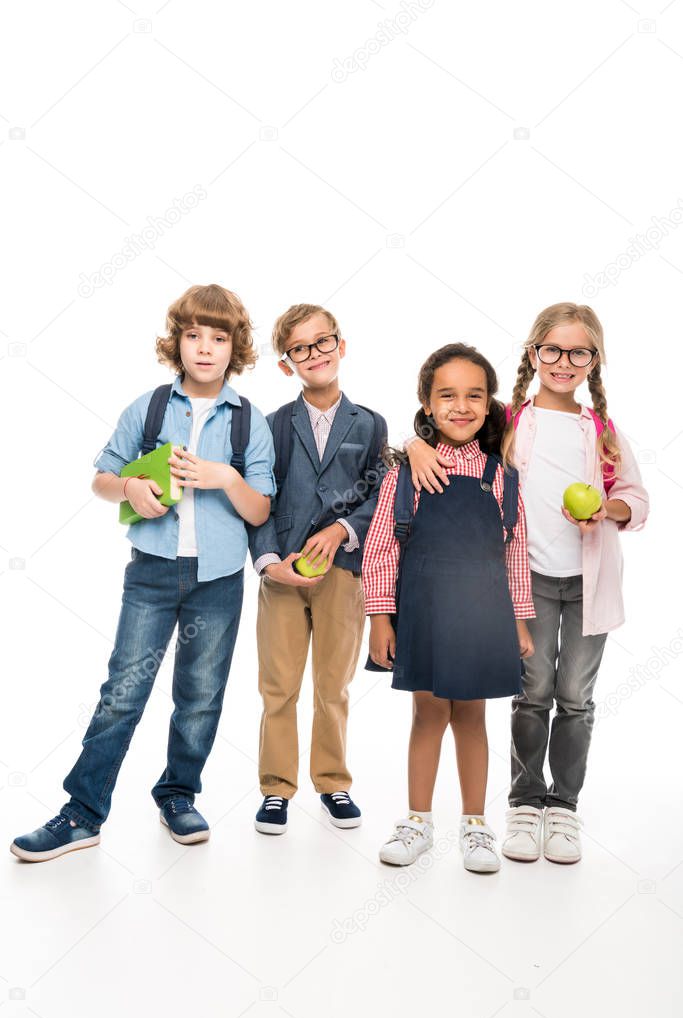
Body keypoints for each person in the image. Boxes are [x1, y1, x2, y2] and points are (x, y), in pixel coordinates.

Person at [11, 284, 276, 861]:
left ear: (236, 348)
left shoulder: (248, 422)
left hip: (219, 579)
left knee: (201, 696)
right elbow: (101, 479)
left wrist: (225, 478)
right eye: (193, 335)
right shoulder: (149, 408)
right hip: (151, 574)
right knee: (122, 693)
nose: (205, 348)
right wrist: (130, 486)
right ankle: (83, 812)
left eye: (218, 337)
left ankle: (178, 795)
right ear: (176, 342)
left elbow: (261, 509)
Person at [405, 304, 649, 864]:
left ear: (594, 360)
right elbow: (447, 420)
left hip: (589, 581)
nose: (564, 362)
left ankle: (563, 807)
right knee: (532, 692)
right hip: (525, 582)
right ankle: (523, 801)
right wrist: (416, 444)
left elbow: (637, 500)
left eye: (578, 352)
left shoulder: (603, 432)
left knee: (576, 699)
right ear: (533, 354)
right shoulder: (507, 420)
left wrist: (607, 509)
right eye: (553, 351)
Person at [363, 343, 535, 873]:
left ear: (488, 405)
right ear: (427, 402)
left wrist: (520, 620)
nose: (461, 406)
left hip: (483, 616)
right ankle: (417, 820)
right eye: (447, 395)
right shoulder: (404, 472)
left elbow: (516, 552)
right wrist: (379, 618)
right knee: (427, 715)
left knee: (473, 718)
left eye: (473, 396)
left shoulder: (502, 478)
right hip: (425, 611)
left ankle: (476, 826)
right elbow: (381, 550)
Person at [248, 304, 386, 835]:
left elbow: (379, 495)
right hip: (283, 573)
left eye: (322, 342)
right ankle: (276, 788)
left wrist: (341, 530)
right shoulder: (272, 425)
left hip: (343, 573)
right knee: (277, 686)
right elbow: (259, 498)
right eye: (300, 349)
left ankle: (333, 783)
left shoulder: (370, 422)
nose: (314, 354)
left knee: (334, 684)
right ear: (287, 364)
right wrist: (268, 562)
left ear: (341, 345)